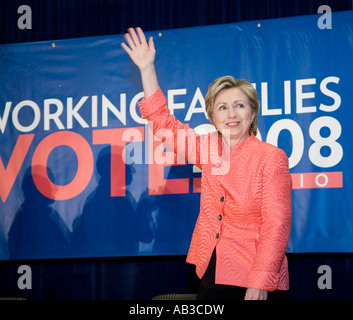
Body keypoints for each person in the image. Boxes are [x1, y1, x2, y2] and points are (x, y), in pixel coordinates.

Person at [121, 27, 292, 300]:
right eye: (222, 107)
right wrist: (146, 68)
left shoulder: (271, 157)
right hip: (210, 272)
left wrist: (260, 282)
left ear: (253, 112)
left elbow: (277, 225)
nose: (231, 114)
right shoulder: (206, 148)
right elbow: (164, 124)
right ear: (213, 116)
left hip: (254, 278)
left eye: (239, 105)